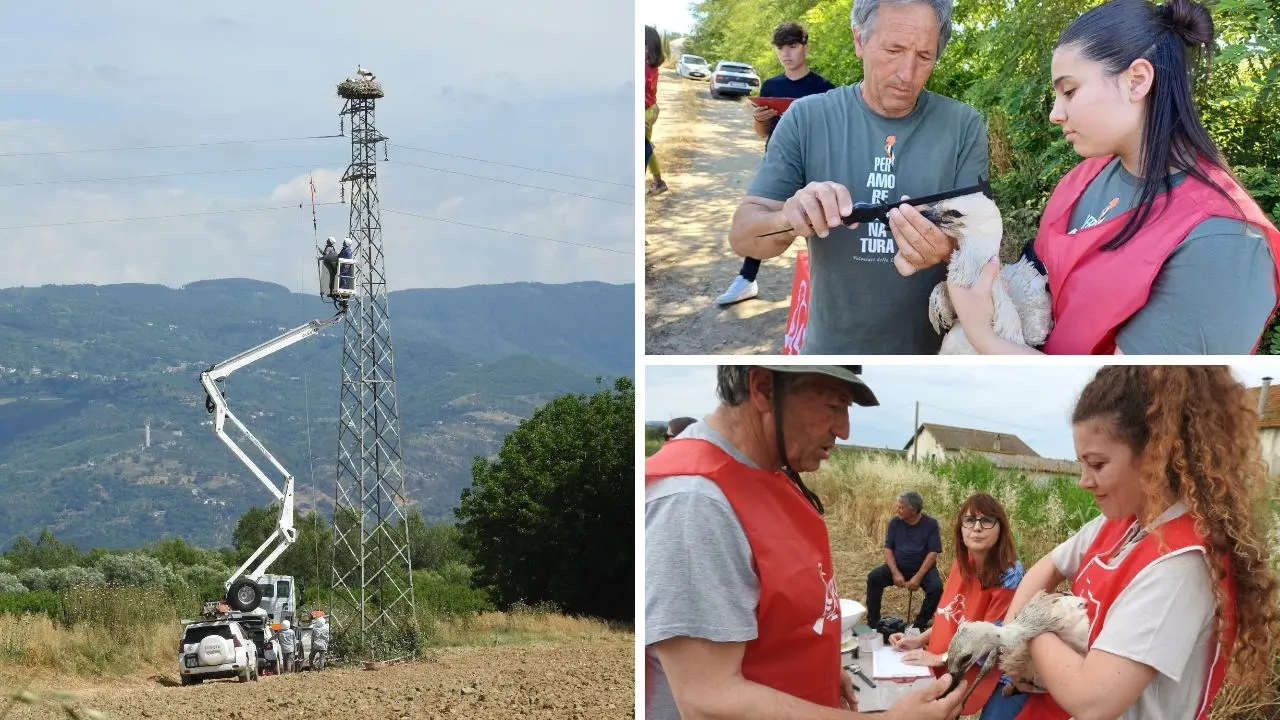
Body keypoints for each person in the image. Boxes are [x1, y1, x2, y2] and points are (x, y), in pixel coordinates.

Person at [945, 0, 1280, 355]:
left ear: (1137, 81)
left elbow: (1127, 405)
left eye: (1070, 91)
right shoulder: (1083, 180)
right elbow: (1036, 289)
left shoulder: (1222, 241)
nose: (1055, 114)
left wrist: (982, 334)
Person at [646, 365, 968, 720]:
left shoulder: (767, 471)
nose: (844, 430)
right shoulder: (695, 501)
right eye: (834, 406)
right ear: (764, 388)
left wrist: (825, 672)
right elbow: (708, 699)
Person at [1002, 366, 1278, 719]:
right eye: (1082, 464)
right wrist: (1011, 645)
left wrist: (1030, 626)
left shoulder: (1183, 565)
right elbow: (1048, 566)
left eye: (1097, 464)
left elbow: (1093, 701)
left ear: (1154, 455)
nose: (1083, 481)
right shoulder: (1120, 521)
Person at [727, 0, 990, 354]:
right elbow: (744, 237)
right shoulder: (807, 119)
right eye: (893, 50)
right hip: (830, 349)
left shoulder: (963, 126)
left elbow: (983, 250)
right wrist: (791, 219)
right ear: (859, 41)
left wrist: (947, 250)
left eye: (924, 56)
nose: (907, 73)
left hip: (930, 352)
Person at [716, 22, 837, 308]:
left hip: (814, 165)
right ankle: (746, 279)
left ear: (805, 47)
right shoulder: (770, 85)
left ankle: (823, 289)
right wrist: (760, 119)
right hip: (778, 164)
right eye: (781, 47)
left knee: (819, 224)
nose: (786, 53)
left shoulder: (824, 89)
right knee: (762, 217)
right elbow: (763, 132)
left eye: (792, 46)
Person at [890, 493, 1028, 720]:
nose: (976, 528)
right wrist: (919, 640)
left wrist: (940, 659)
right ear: (960, 528)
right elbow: (953, 617)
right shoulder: (962, 564)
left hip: (1004, 671)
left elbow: (992, 645)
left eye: (986, 520)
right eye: (969, 520)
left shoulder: (1009, 575)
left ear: (1000, 528)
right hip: (960, 657)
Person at [865, 490, 943, 631]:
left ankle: (919, 626)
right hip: (898, 566)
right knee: (873, 578)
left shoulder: (931, 524)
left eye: (901, 507)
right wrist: (895, 572)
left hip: (923, 569)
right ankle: (873, 623)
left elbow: (932, 553)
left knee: (936, 588)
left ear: (913, 510)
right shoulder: (895, 522)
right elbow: (888, 549)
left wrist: (918, 577)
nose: (897, 510)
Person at [645, 26, 668, 197]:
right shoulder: (650, 66)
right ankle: (658, 181)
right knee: (645, 147)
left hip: (646, 111)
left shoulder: (645, 67)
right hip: (650, 109)